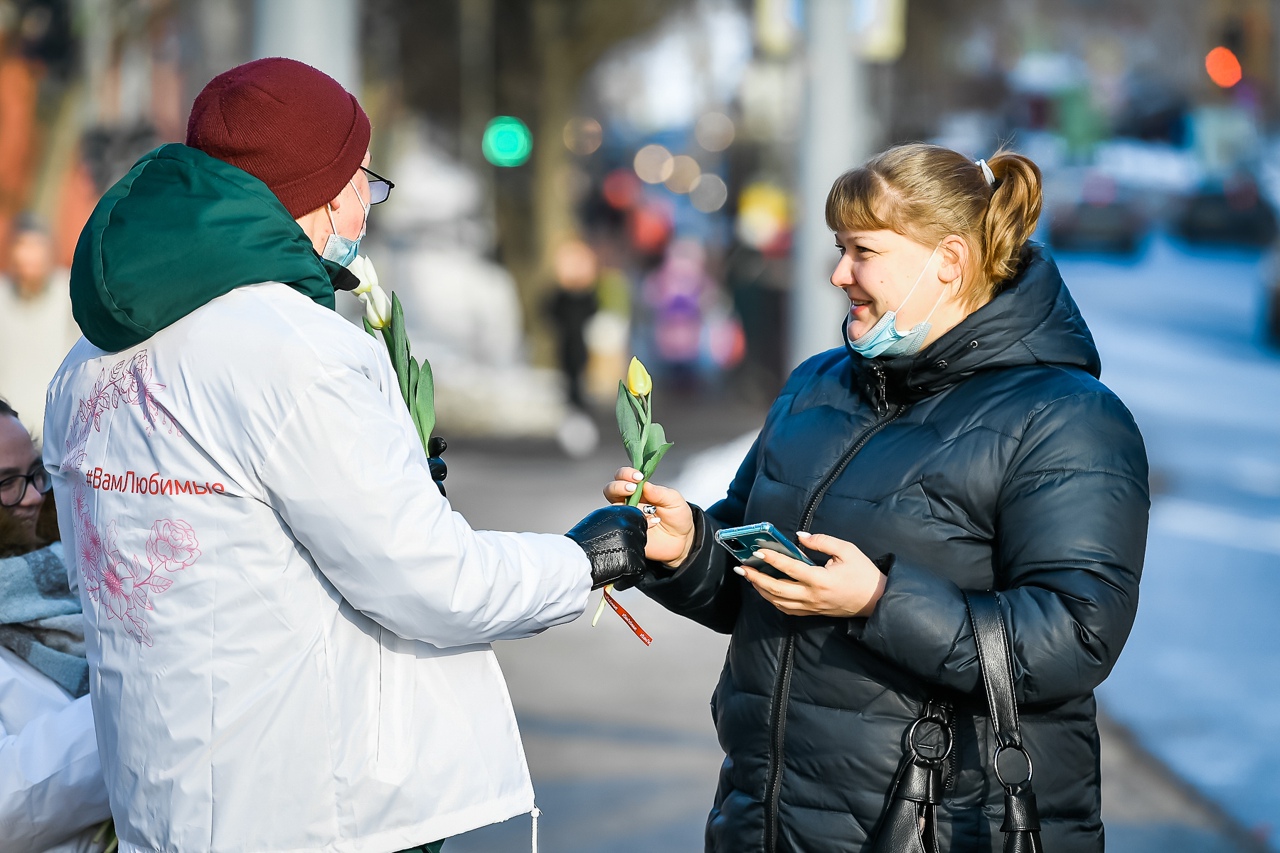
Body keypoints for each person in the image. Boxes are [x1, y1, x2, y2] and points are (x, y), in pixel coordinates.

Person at [43, 58, 646, 853]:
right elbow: (429, 580)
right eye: (363, 174)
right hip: (306, 808)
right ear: (317, 192)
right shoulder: (294, 348)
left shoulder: (85, 362)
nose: (368, 198)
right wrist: (583, 561)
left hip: (165, 798)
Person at [606, 143, 1148, 852]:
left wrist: (878, 602)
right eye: (838, 248)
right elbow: (753, 579)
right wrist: (690, 549)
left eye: (862, 250)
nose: (838, 274)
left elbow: (1077, 635)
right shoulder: (817, 386)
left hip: (944, 823)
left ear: (948, 261)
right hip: (767, 821)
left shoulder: (1068, 418)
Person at [0, 399, 112, 852]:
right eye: (7, 483)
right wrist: (129, 704)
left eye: (36, 474)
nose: (31, 497)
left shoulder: (78, 569)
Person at [0, 217, 81, 437]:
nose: (29, 255)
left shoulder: (70, 293)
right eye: (22, 245)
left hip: (56, 428)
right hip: (7, 430)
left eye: (36, 245)